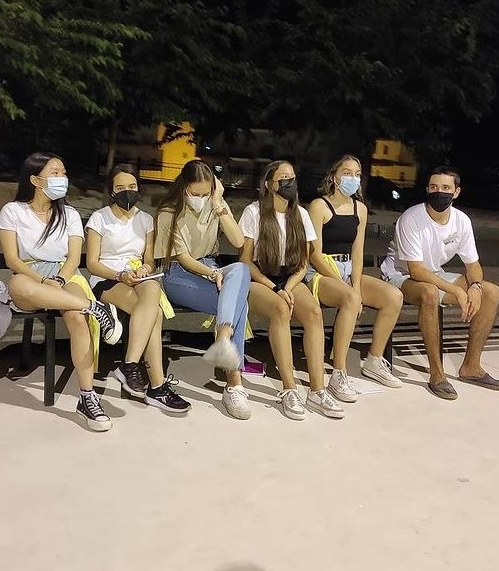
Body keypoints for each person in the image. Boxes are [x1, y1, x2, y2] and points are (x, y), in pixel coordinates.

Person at [0, 152, 123, 431]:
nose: (62, 178)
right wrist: (42, 280)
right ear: (35, 180)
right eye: (54, 173)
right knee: (17, 285)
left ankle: (87, 397)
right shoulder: (13, 211)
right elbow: (12, 260)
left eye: (63, 173)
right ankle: (96, 308)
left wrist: (59, 280)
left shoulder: (70, 214)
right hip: (29, 276)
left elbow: (73, 259)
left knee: (77, 318)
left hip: (64, 275)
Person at [380, 165, 499, 400]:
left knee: (492, 292)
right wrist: (456, 290)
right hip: (399, 275)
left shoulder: (461, 220)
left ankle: (471, 367)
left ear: (456, 192)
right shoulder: (412, 218)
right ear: (427, 189)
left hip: (434, 273)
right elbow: (416, 270)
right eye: (434, 187)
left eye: (446, 188)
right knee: (429, 292)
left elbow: (473, 265)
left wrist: (476, 287)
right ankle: (437, 374)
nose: (439, 192)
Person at [238, 160, 344, 420]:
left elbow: (304, 263)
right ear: (269, 184)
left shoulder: (301, 214)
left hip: (291, 278)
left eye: (292, 177)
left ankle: (317, 390)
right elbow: (245, 261)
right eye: (283, 178)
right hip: (261, 278)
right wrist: (275, 288)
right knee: (281, 309)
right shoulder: (254, 212)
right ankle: (289, 389)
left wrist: (288, 286)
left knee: (314, 312)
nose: (290, 182)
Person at [85, 163, 190, 413]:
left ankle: (130, 365)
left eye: (132, 186)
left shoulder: (145, 220)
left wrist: (144, 268)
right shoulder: (100, 218)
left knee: (152, 288)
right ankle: (157, 387)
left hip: (137, 277)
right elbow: (92, 264)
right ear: (112, 191)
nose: (127, 192)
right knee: (154, 313)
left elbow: (149, 260)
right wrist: (119, 275)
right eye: (120, 187)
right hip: (108, 279)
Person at [154, 159, 253, 420]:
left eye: (205, 193)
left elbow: (238, 241)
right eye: (194, 193)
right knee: (239, 302)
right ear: (184, 187)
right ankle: (234, 384)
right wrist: (212, 273)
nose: (200, 199)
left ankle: (223, 337)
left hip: (211, 267)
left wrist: (218, 204)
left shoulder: (214, 204)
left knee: (241, 270)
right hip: (179, 274)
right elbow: (184, 258)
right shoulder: (168, 212)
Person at [306, 155, 404, 396]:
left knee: (393, 296)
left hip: (348, 269)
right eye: (347, 173)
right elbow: (314, 254)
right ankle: (338, 373)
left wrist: (356, 286)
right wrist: (347, 288)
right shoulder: (319, 206)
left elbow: (358, 251)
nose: (353, 178)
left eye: (357, 174)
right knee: (350, 298)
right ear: (334, 176)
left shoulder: (360, 208)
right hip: (321, 272)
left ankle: (374, 360)